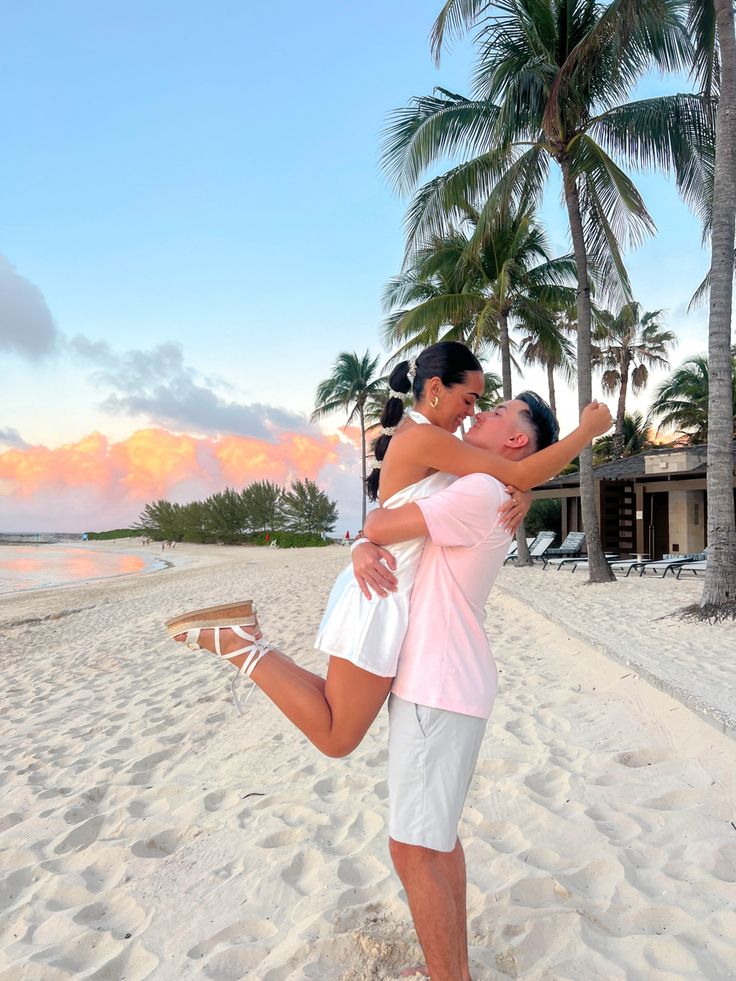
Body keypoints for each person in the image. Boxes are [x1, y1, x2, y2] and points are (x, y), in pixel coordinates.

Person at [167, 341, 612, 760]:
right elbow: (513, 470)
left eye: (481, 406)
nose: (472, 413)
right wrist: (585, 433)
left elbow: (504, 475)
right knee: (337, 737)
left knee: (334, 715)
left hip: (384, 585)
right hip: (381, 590)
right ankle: (238, 644)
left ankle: (245, 642)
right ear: (436, 389)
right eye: (471, 400)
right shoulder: (427, 439)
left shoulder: (438, 443)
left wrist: (522, 490)